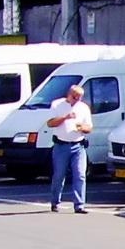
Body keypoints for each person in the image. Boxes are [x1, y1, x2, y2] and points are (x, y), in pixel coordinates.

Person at [46, 84, 93, 213]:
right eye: (74, 97)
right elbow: (50, 123)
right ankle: (55, 202)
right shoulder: (57, 104)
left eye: (79, 97)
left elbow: (89, 127)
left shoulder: (83, 108)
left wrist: (82, 128)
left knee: (80, 175)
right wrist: (64, 118)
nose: (76, 100)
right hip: (61, 145)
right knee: (59, 175)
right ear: (68, 94)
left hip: (78, 145)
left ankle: (79, 205)